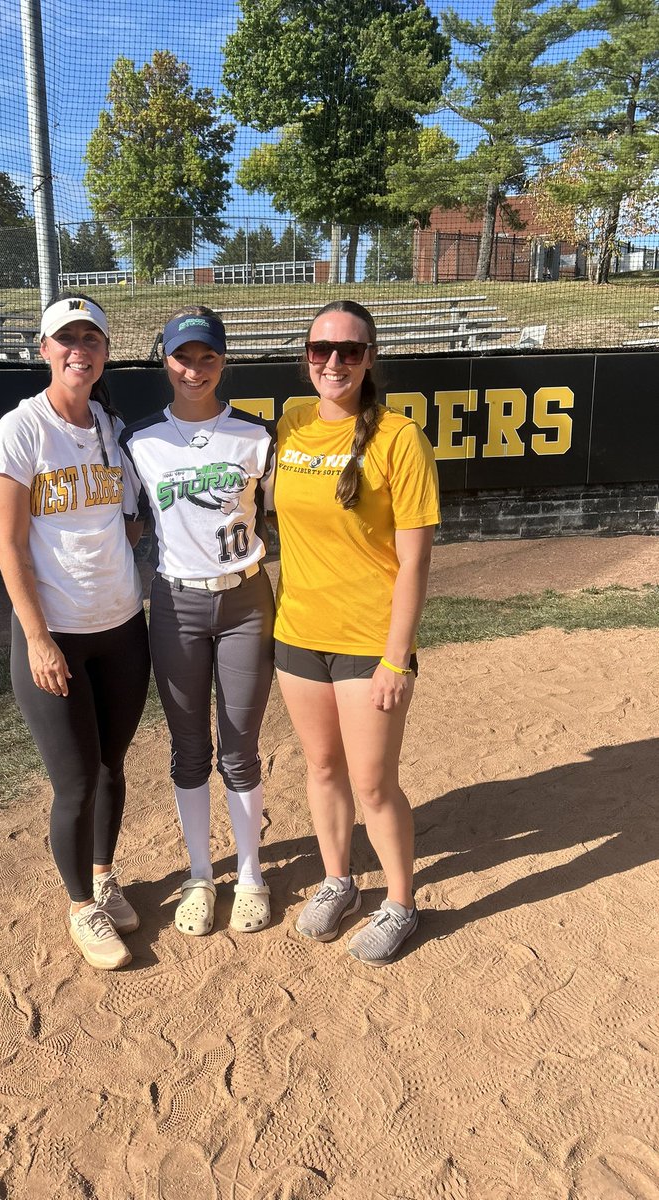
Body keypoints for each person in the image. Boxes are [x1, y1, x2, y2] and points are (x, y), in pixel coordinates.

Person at [0, 293, 150, 972]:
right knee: (76, 781)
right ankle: (81, 906)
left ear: (104, 353)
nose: (80, 349)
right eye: (66, 339)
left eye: (92, 339)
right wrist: (40, 637)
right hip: (56, 635)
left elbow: (131, 517)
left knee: (113, 768)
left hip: (122, 627)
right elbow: (8, 546)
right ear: (44, 349)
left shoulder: (110, 427)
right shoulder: (19, 431)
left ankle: (104, 877)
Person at [273, 300, 440, 966]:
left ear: (370, 358)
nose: (333, 362)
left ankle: (401, 901)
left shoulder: (400, 438)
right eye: (321, 350)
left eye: (349, 350)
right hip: (298, 631)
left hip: (368, 638)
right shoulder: (292, 423)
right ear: (306, 356)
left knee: (373, 783)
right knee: (321, 768)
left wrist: (396, 660)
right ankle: (338, 880)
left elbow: (417, 559)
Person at [120, 306, 276, 937]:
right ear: (166, 361)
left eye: (207, 356)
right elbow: (126, 522)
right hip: (176, 603)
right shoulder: (139, 441)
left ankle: (251, 876)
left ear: (223, 361)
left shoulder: (256, 436)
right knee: (188, 748)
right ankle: (198, 877)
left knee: (238, 745)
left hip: (244, 601)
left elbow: (281, 513)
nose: (195, 369)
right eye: (184, 356)